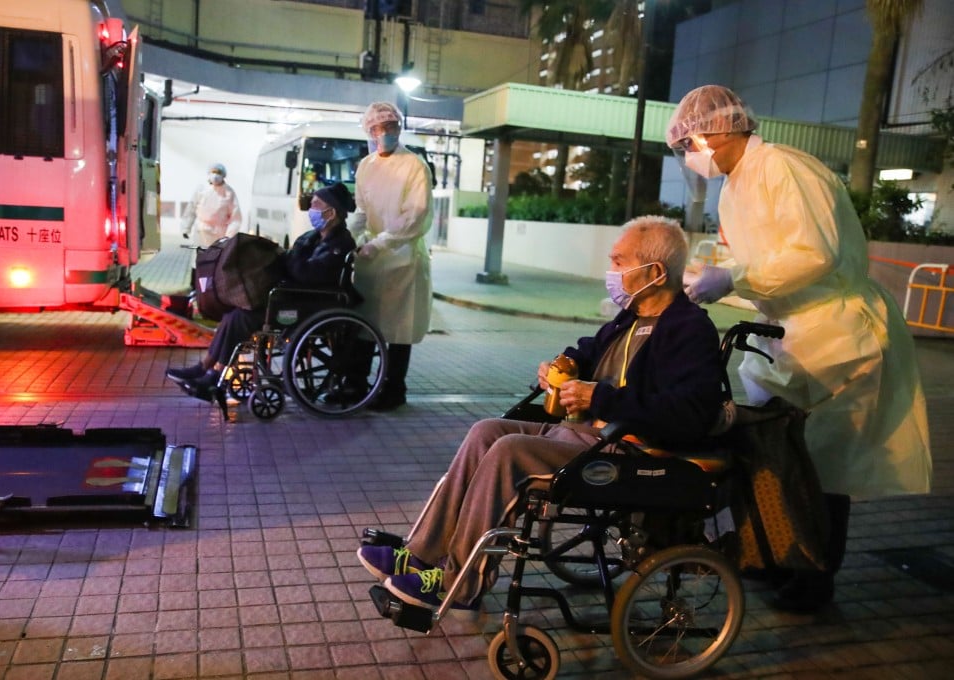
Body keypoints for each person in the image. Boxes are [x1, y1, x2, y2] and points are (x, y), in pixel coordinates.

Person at [356, 217, 725, 612]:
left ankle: (459, 584)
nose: (611, 270)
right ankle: (422, 554)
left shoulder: (689, 329)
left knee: (509, 451)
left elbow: (689, 413)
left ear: (654, 273)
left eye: (619, 261)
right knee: (486, 431)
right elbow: (587, 351)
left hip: (630, 452)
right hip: (586, 437)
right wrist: (563, 364)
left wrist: (599, 397)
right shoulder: (630, 317)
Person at [665, 84, 932, 613]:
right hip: (791, 332)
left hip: (837, 334)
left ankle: (815, 577)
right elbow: (764, 263)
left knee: (821, 466)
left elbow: (814, 254)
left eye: (689, 143)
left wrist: (734, 277)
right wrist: (717, 278)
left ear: (719, 130)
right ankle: (777, 555)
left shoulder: (783, 167)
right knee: (777, 454)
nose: (689, 155)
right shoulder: (736, 185)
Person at [167, 183, 357, 392]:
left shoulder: (340, 243)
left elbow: (307, 274)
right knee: (234, 312)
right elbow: (290, 263)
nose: (311, 209)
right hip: (291, 297)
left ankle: (215, 374)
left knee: (241, 317)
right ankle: (204, 367)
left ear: (331, 212)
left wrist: (289, 260)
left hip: (309, 305)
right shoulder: (311, 237)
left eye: (316, 205)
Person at [349, 101, 434, 411]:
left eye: (389, 127)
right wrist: (350, 238)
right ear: (369, 131)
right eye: (376, 128)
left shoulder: (414, 166)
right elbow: (361, 210)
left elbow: (415, 215)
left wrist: (381, 243)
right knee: (364, 325)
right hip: (371, 261)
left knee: (398, 330)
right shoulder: (366, 166)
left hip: (403, 257)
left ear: (399, 128)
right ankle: (356, 385)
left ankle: (394, 389)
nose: (383, 133)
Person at [181, 162, 243, 248]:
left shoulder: (229, 193)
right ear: (209, 173)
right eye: (213, 172)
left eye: (218, 173)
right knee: (201, 255)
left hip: (219, 236)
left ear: (223, 175)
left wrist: (229, 236)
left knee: (216, 255)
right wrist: (186, 228)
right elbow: (191, 210)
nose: (215, 175)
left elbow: (236, 218)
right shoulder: (202, 190)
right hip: (201, 232)